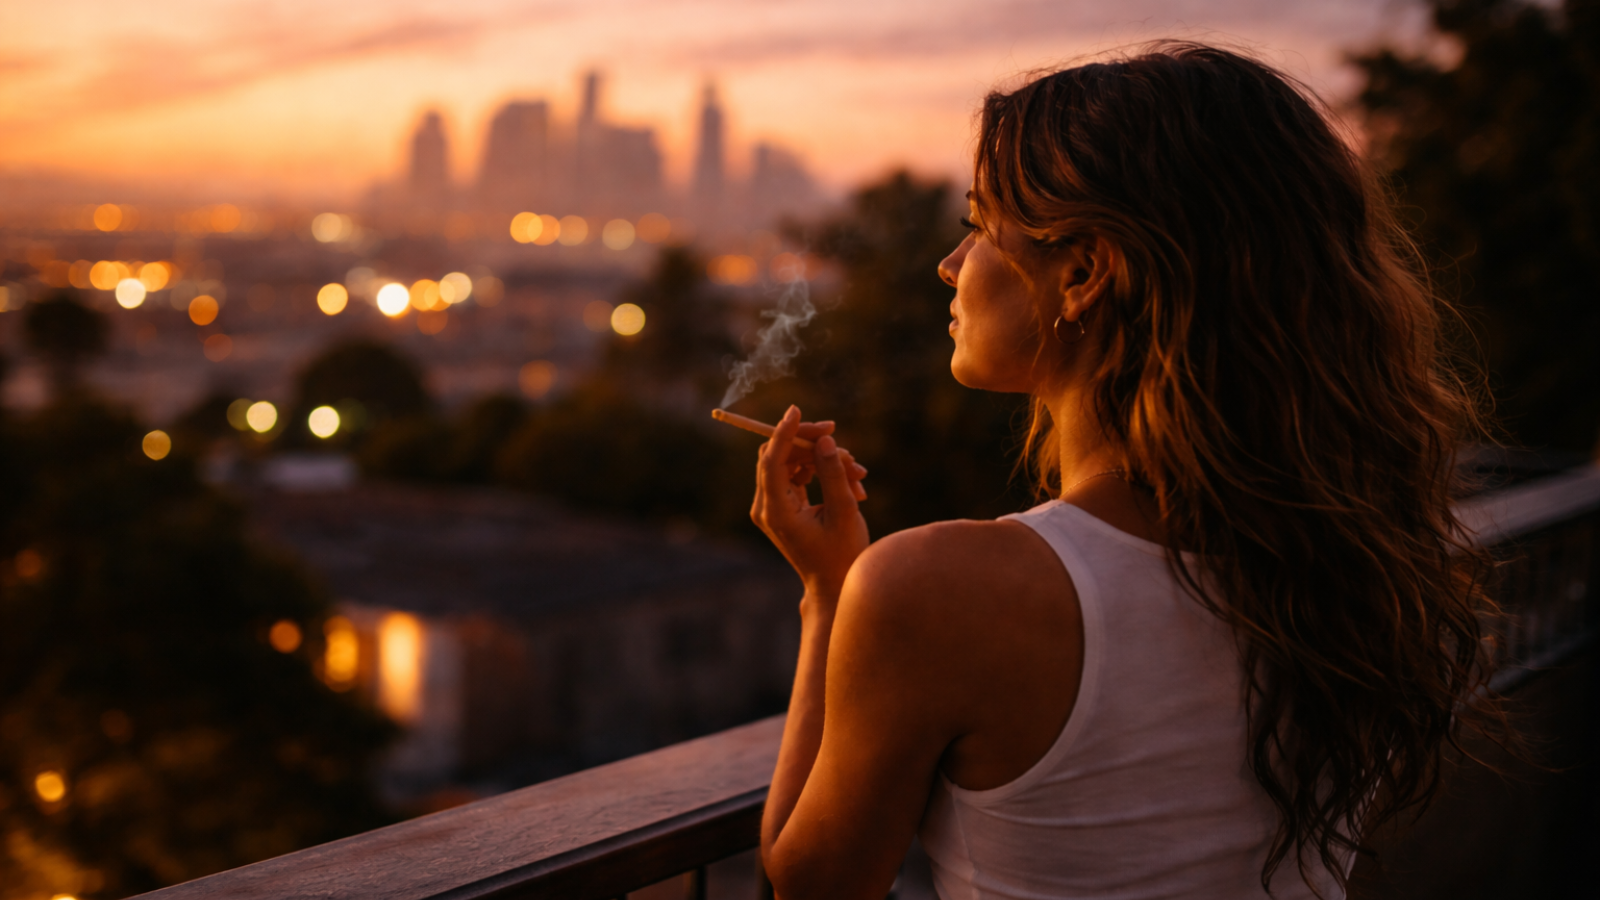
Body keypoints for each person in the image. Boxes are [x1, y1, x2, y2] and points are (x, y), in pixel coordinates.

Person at [748, 43, 1501, 900]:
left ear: (1082, 273)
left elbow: (812, 883)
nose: (949, 266)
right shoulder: (1359, 562)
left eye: (976, 228)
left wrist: (831, 592)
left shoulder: (937, 589)